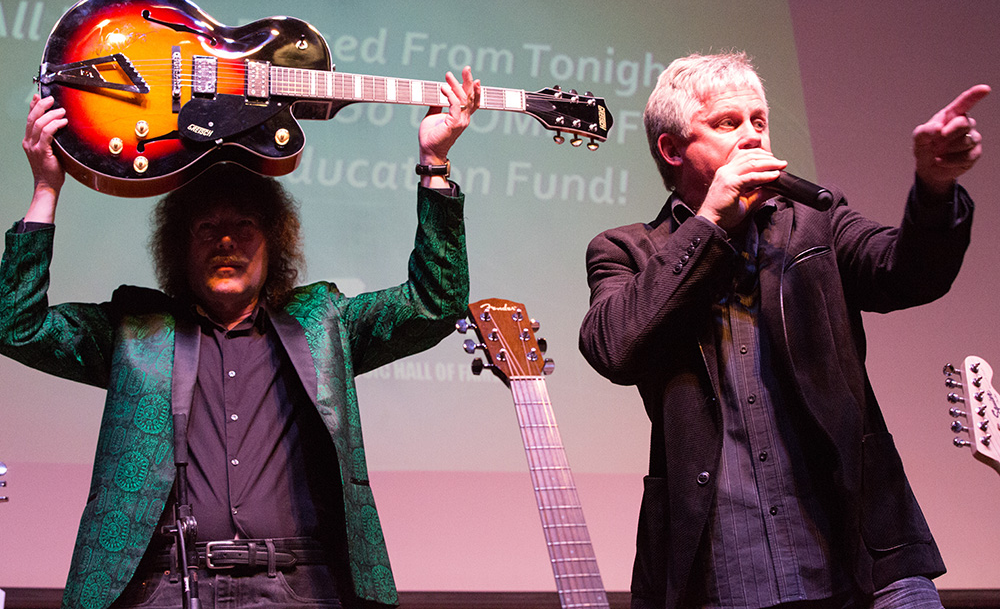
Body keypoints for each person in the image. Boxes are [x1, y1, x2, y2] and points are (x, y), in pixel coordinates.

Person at [1, 67, 481, 609]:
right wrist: (46, 189)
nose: (226, 242)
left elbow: (434, 304)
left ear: (274, 244)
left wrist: (434, 163)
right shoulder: (135, 331)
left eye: (244, 228)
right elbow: (17, 326)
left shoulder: (325, 323)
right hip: (164, 588)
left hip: (299, 588)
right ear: (180, 248)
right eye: (207, 229)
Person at [578, 52, 989, 609]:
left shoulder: (817, 221)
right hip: (721, 575)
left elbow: (910, 275)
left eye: (759, 120)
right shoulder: (628, 251)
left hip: (866, 559)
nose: (752, 136)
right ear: (672, 149)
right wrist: (709, 224)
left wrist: (935, 188)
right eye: (727, 123)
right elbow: (612, 348)